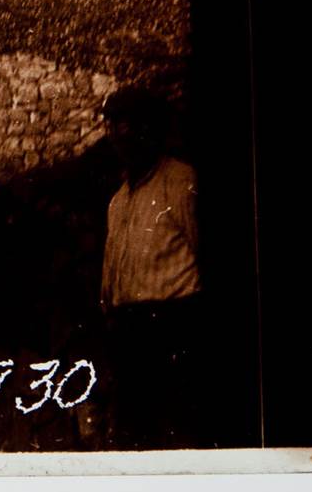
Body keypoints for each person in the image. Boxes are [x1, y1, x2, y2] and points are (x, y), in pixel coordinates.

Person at [99, 86, 205, 449]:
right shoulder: (119, 200)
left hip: (174, 329)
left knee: (174, 435)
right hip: (128, 334)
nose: (117, 137)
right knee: (133, 437)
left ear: (149, 130)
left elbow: (206, 258)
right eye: (111, 127)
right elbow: (111, 277)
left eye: (126, 126)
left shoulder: (181, 182)